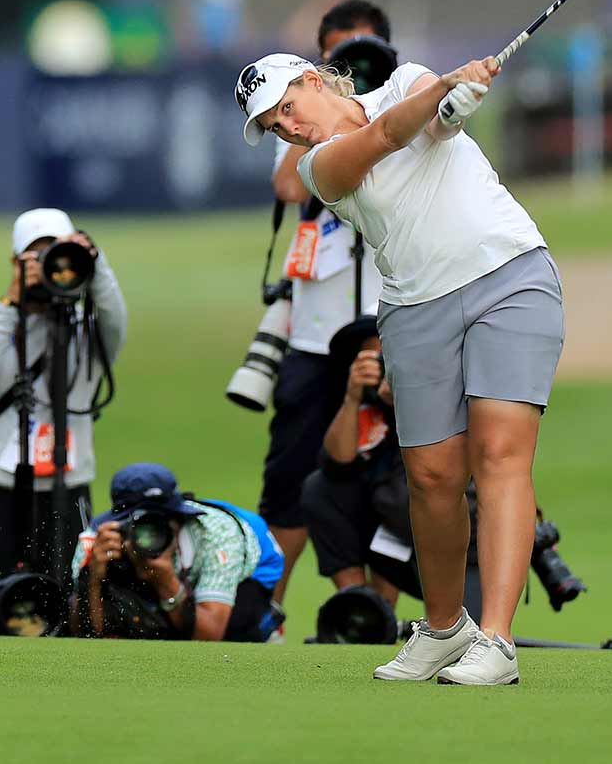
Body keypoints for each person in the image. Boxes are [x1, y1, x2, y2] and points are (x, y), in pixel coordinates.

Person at [239, 46, 562, 686]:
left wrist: (456, 97)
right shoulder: (318, 166)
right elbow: (389, 133)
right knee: (432, 475)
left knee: (499, 454)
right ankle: (445, 632)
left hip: (511, 275)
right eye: (275, 126)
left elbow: (434, 118)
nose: (289, 128)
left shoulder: (408, 81)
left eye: (287, 109)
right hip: (415, 308)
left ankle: (495, 640)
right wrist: (449, 87)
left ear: (311, 80)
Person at [260, 0, 389, 611]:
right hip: (315, 331)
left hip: (389, 320)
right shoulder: (299, 119)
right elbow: (289, 184)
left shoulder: (396, 108)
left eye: (361, 52)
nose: (350, 68)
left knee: (395, 472)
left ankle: (379, 614)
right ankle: (267, 613)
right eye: (337, 54)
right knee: (291, 474)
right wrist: (322, 112)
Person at [0, 208, 127, 616]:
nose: (54, 264)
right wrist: (13, 300)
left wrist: (95, 264)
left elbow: (117, 318)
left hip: (69, 487)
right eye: (38, 255)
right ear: (16, 263)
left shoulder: (89, 330)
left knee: (68, 610)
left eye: (61, 253)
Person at [69, 463, 283, 641]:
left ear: (180, 517)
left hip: (252, 569)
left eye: (162, 522)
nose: (151, 535)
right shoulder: (97, 542)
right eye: (141, 526)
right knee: (121, 621)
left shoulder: (217, 536)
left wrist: (167, 580)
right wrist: (93, 578)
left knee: (234, 631)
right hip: (178, 574)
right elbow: (86, 636)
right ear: (120, 524)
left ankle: (268, 626)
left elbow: (210, 637)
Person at [299, 316, 419, 606]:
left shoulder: (433, 387)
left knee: (398, 496)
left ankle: (385, 610)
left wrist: (404, 397)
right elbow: (337, 464)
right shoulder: (350, 395)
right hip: (376, 518)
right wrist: (353, 397)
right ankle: (358, 605)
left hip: (426, 530)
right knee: (319, 488)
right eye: (373, 354)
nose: (382, 363)